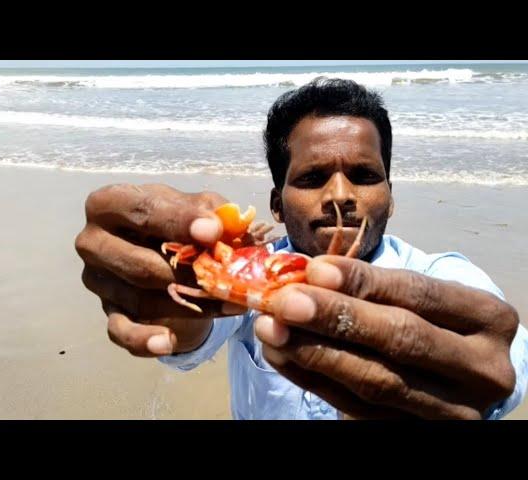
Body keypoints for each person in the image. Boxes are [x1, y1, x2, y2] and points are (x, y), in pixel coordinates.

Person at [75, 78, 528, 419]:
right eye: (311, 179)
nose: (340, 196)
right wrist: (164, 283)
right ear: (276, 204)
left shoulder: (437, 273)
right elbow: (191, 332)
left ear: (390, 195)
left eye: (365, 176)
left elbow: (506, 352)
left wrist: (485, 381)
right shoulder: (252, 269)